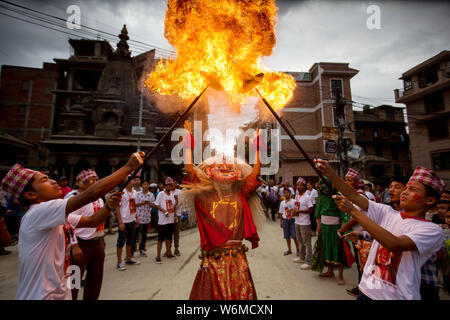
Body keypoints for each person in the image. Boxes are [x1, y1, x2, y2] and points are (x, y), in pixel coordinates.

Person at [2, 152, 143, 300]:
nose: (53, 181)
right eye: (44, 180)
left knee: (93, 279)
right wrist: (128, 168)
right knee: (76, 280)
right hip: (44, 293)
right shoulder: (38, 211)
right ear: (30, 195)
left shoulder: (51, 212)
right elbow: (92, 193)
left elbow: (92, 221)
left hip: (74, 271)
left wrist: (108, 206)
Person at [315, 159, 445, 300]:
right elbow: (353, 196)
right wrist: (331, 173)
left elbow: (394, 244)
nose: (405, 192)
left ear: (430, 200)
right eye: (406, 188)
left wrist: (353, 211)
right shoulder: (387, 212)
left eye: (412, 189)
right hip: (366, 291)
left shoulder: (432, 230)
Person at [182, 120, 265, 300]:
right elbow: (189, 170)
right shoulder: (206, 194)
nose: (225, 168)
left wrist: (258, 147)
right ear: (209, 173)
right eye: (219, 167)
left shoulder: (241, 191)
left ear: (238, 175)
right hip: (213, 260)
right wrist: (188, 141)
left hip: (236, 259)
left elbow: (256, 173)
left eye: (230, 168)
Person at [68, 169, 106, 300]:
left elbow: (99, 220)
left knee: (95, 279)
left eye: (96, 180)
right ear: (79, 183)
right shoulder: (73, 199)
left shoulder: (99, 199)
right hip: (80, 243)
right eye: (91, 180)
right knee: (74, 281)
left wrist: (102, 238)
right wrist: (74, 245)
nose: (94, 183)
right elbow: (67, 223)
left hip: (97, 242)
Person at [312, 178, 351, 286]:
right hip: (324, 227)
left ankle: (340, 275)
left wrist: (342, 228)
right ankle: (330, 272)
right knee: (327, 249)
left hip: (336, 228)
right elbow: (318, 212)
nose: (325, 187)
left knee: (338, 250)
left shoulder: (337, 196)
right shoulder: (321, 197)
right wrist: (318, 225)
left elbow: (343, 214)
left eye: (327, 185)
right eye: (322, 185)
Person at [116, 176, 141, 271]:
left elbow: (134, 205)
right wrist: (120, 222)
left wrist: (136, 218)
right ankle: (119, 262)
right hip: (124, 220)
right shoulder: (121, 192)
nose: (133, 181)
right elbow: (117, 207)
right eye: (130, 180)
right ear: (126, 181)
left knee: (130, 241)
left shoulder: (135, 192)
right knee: (121, 242)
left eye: (133, 180)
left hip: (132, 220)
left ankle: (128, 258)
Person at [292, 177, 314, 269]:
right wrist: (293, 211)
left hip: (305, 222)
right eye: (297, 185)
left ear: (304, 187)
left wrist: (300, 211)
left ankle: (309, 262)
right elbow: (296, 207)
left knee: (306, 242)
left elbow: (311, 209)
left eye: (301, 185)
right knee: (300, 241)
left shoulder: (307, 197)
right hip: (297, 221)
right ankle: (302, 257)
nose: (299, 187)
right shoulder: (297, 196)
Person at [154, 177, 177, 263]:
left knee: (169, 237)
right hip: (163, 221)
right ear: (165, 186)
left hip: (170, 220)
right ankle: (158, 255)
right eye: (169, 185)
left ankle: (168, 252)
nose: (171, 187)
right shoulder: (161, 194)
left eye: (171, 185)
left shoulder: (171, 195)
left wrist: (174, 216)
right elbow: (156, 205)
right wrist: (164, 211)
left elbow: (173, 206)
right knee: (160, 238)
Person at [136, 180, 155, 257]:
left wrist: (149, 203)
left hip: (146, 217)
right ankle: (132, 250)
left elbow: (153, 206)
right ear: (142, 185)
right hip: (138, 217)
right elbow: (135, 204)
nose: (146, 186)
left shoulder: (151, 195)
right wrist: (142, 203)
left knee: (144, 234)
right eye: (144, 184)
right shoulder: (137, 194)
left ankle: (142, 249)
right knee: (135, 234)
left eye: (147, 184)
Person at [279, 188, 299, 256]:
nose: (286, 194)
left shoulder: (294, 201)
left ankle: (298, 250)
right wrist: (281, 222)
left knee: (294, 236)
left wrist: (292, 211)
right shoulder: (282, 202)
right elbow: (281, 213)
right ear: (283, 194)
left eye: (287, 192)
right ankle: (289, 249)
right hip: (285, 220)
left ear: (290, 194)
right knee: (287, 236)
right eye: (285, 193)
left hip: (293, 220)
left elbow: (297, 210)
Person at [171, 182, 182, 256]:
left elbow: (181, 202)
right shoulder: (167, 192)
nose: (172, 184)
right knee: (168, 232)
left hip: (177, 214)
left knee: (176, 232)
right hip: (169, 215)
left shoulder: (179, 192)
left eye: (174, 183)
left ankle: (176, 248)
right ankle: (168, 249)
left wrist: (175, 209)